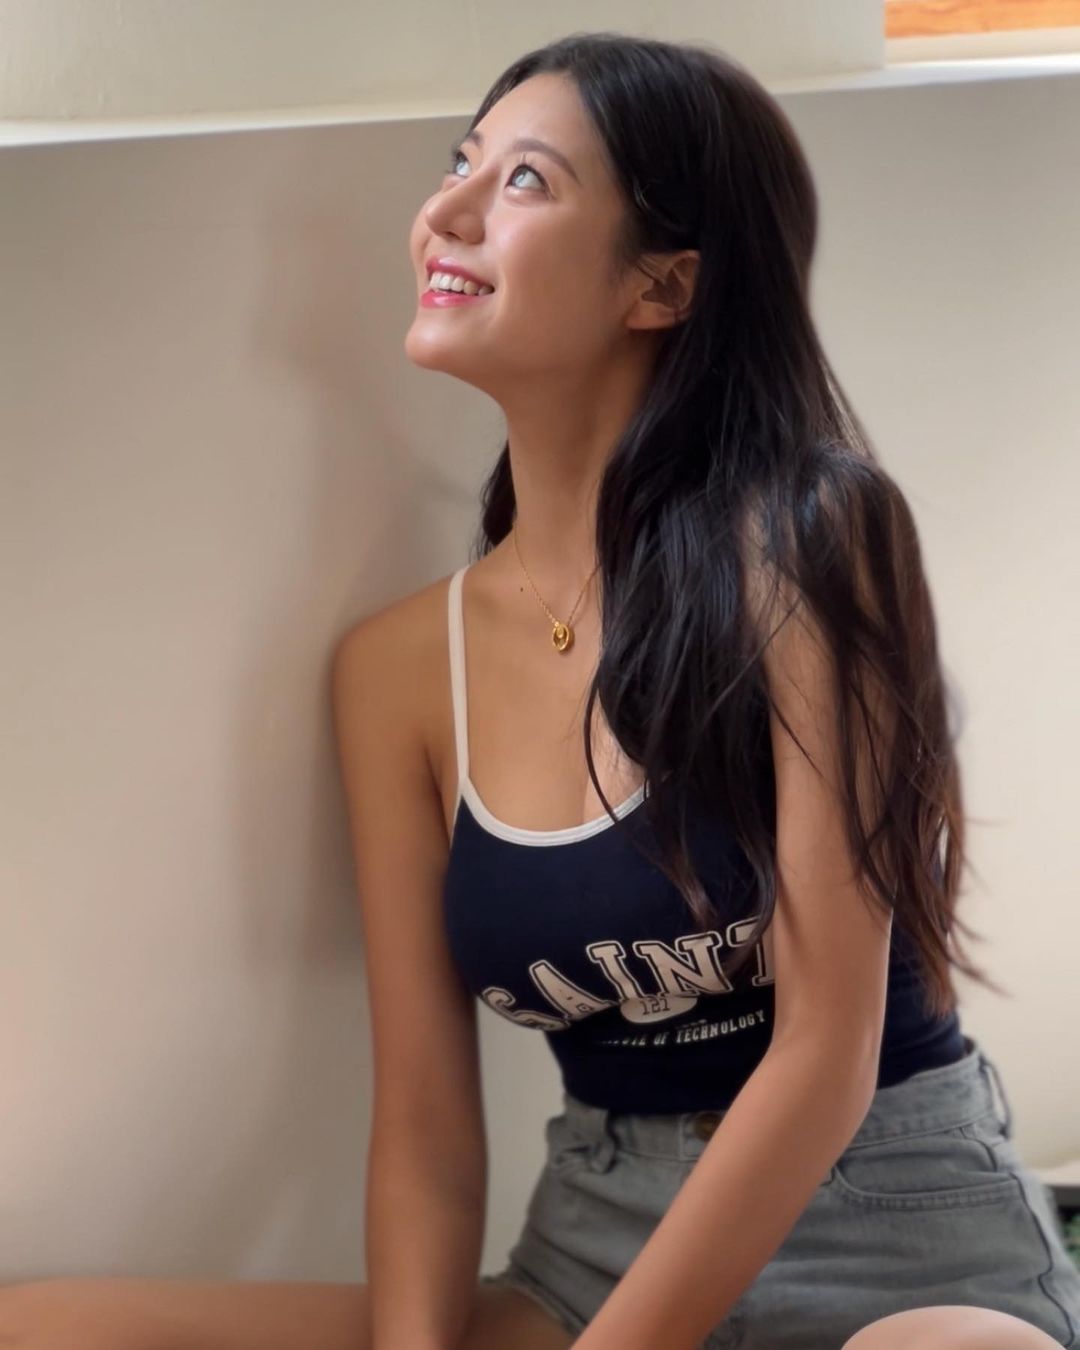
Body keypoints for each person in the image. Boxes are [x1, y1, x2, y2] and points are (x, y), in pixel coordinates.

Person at [1, 29, 1076, 1350]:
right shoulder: (398, 669)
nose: (445, 211)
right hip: (594, 1246)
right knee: (39, 1326)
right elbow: (426, 1131)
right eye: (459, 164)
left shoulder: (812, 538)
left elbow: (826, 1052)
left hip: (893, 1232)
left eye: (522, 180)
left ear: (663, 285)